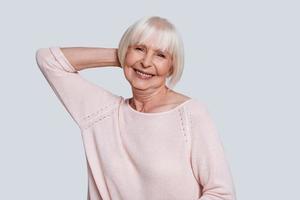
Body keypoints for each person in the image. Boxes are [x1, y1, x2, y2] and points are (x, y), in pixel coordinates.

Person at [35, 16, 236, 200]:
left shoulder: (190, 114)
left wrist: (133, 57)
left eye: (160, 55)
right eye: (139, 49)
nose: (146, 62)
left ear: (172, 67)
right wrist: (124, 57)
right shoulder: (102, 113)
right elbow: (49, 60)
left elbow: (221, 194)